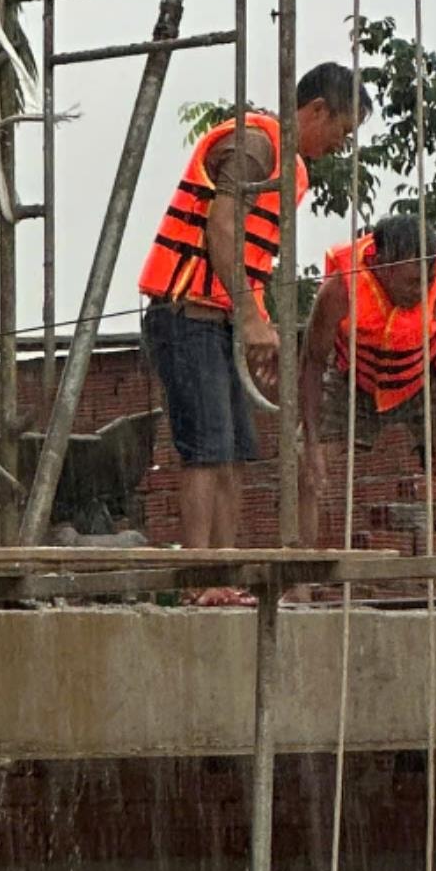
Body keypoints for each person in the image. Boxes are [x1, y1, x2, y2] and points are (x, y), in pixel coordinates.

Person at [136, 63, 369, 599]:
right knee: (207, 449)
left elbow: (250, 258)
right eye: (343, 130)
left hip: (219, 318)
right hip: (186, 312)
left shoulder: (288, 164)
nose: (342, 145)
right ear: (316, 111)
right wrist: (250, 317)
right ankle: (200, 580)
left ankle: (225, 572)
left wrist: (253, 323)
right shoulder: (256, 146)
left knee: (237, 449)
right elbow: (222, 226)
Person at [299, 212, 436, 596]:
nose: (420, 289)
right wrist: (311, 442)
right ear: (382, 266)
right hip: (354, 376)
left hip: (426, 372)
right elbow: (311, 361)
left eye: (426, 279)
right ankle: (297, 586)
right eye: (412, 281)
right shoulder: (341, 290)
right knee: (308, 465)